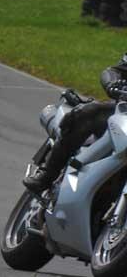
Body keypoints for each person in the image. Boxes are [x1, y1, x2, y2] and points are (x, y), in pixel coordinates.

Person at [23, 57, 127, 195]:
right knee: (91, 113)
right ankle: (47, 175)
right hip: (123, 115)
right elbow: (114, 71)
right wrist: (113, 84)